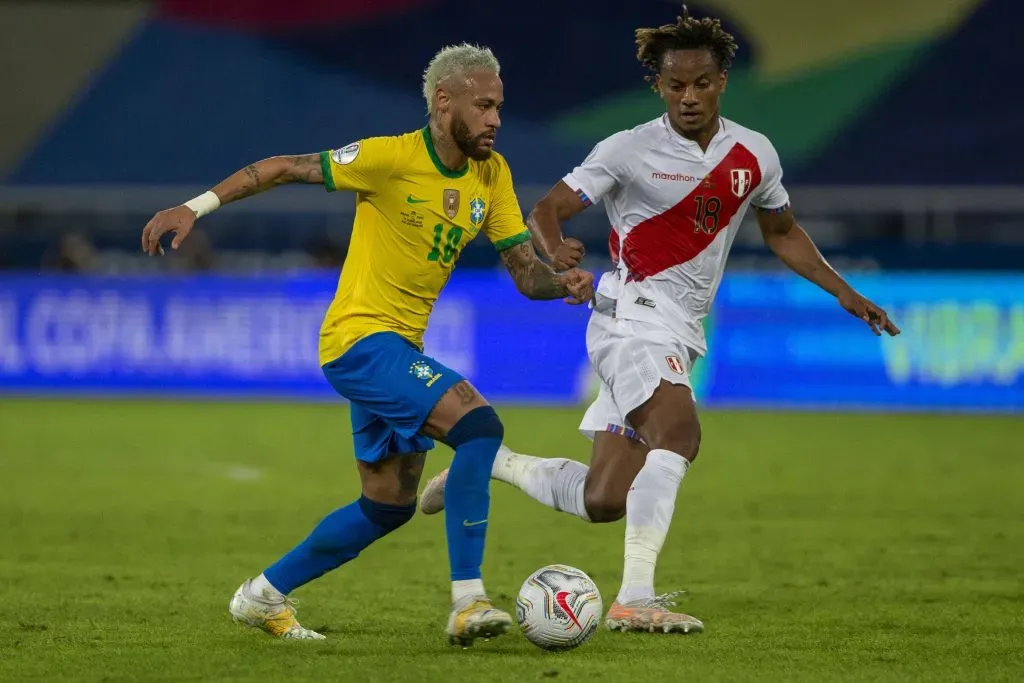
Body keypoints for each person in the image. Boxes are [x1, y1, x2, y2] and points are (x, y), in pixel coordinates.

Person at [418, 6, 900, 635]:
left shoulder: (755, 154)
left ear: (722, 80)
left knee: (604, 499)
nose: (689, 97)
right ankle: (635, 598)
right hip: (631, 319)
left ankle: (489, 466)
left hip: (679, 329)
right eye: (676, 86)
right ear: (659, 85)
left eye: (701, 84)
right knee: (680, 434)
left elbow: (782, 232)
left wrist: (845, 291)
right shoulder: (629, 149)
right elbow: (548, 207)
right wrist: (556, 248)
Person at [140, 43, 594, 646]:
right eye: (483, 106)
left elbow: (524, 273)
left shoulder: (493, 174)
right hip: (359, 340)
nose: (495, 119)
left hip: (398, 349)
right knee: (479, 428)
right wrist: (195, 206)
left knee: (387, 505)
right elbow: (281, 167)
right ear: (443, 100)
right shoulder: (388, 158)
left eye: (499, 107)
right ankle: (468, 602)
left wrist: (560, 280)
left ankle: (262, 596)